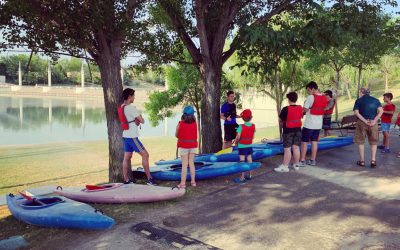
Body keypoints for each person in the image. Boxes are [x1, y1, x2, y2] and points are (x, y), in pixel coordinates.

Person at [119, 88, 155, 185]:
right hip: (132, 136)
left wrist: (136, 120)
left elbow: (132, 120)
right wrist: (138, 119)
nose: (134, 98)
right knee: (145, 155)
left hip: (126, 135)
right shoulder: (131, 108)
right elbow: (142, 121)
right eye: (133, 96)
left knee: (127, 157)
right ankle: (150, 179)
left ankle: (126, 180)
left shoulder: (122, 107)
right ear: (129, 96)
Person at [299, 81, 328, 167]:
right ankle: (312, 160)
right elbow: (323, 108)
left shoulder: (311, 97)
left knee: (304, 142)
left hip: (309, 124)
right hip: (318, 124)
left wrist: (304, 110)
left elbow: (304, 109)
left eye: (308, 90)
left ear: (312, 89)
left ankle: (302, 161)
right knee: (314, 142)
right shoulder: (324, 97)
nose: (308, 92)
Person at [353, 87, 383, 168]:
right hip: (373, 123)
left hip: (361, 123)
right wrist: (374, 120)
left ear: (361, 92)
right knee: (374, 142)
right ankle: (373, 160)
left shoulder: (358, 100)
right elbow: (381, 111)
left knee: (360, 141)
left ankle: (362, 161)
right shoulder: (375, 100)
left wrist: (365, 121)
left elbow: (356, 112)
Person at [274, 92, 302, 172]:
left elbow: (280, 119)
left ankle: (285, 166)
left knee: (287, 149)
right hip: (298, 130)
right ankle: (296, 164)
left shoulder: (286, 109)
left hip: (288, 131)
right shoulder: (300, 108)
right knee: (296, 147)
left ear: (289, 100)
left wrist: (282, 123)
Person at [175, 106, 198, 189]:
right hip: (193, 146)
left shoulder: (180, 124)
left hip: (184, 146)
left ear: (184, 114)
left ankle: (183, 183)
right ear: (193, 115)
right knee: (191, 163)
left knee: (184, 165)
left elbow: (176, 135)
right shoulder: (195, 124)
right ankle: (193, 182)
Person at [233, 109, 255, 183]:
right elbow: (253, 136)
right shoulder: (253, 126)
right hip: (249, 145)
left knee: (242, 160)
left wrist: (235, 143)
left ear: (243, 118)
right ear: (251, 117)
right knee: (249, 159)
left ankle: (242, 177)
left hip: (242, 146)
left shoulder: (240, 127)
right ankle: (250, 175)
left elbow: (238, 137)